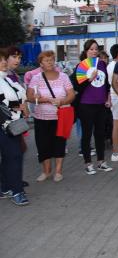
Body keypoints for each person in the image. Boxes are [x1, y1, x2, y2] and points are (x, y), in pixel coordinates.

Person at [26, 51, 75, 182]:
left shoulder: (63, 76)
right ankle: (46, 171)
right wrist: (40, 99)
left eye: (51, 60)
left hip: (60, 117)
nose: (49, 62)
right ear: (41, 63)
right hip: (41, 118)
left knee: (59, 143)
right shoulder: (36, 78)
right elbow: (29, 97)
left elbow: (71, 95)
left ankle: (58, 171)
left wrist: (62, 101)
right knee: (43, 144)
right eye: (46, 60)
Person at [75, 39, 113, 175]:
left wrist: (108, 98)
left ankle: (101, 161)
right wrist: (89, 79)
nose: (94, 51)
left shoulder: (102, 64)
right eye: (91, 49)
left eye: (96, 49)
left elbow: (106, 85)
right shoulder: (80, 66)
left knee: (100, 133)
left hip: (101, 104)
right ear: (86, 51)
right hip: (86, 105)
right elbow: (77, 87)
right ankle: (88, 163)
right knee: (86, 134)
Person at [0, 49, 29, 205]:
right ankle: (17, 191)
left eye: (4, 59)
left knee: (10, 157)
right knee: (14, 157)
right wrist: (18, 105)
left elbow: (21, 95)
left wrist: (22, 105)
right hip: (5, 125)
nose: (4, 62)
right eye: (1, 60)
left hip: (14, 124)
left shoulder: (8, 79)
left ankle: (5, 187)